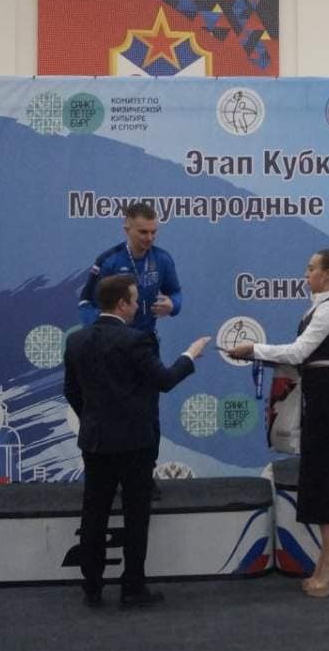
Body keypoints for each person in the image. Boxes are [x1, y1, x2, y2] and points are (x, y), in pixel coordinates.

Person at [64, 274, 209, 608]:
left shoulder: (76, 341)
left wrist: (92, 418)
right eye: (134, 300)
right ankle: (132, 587)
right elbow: (165, 380)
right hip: (135, 444)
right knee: (136, 516)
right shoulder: (136, 340)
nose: (137, 306)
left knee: (94, 513)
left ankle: (92, 586)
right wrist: (190, 355)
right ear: (122, 304)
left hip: (95, 441)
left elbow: (71, 390)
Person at [228, 249, 329, 598]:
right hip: (317, 398)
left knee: (326, 478)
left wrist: (255, 349)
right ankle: (328, 558)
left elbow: (299, 353)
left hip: (326, 401)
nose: (306, 274)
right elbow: (302, 360)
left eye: (311, 268)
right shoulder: (319, 307)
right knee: (318, 477)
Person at [78, 202, 182, 497]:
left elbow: (176, 293)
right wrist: (100, 334)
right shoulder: (109, 261)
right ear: (127, 228)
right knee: (110, 411)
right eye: (143, 232)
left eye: (154, 232)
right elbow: (86, 303)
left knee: (148, 414)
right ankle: (106, 479)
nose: (149, 238)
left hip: (144, 346)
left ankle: (145, 476)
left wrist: (173, 305)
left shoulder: (162, 259)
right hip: (110, 350)